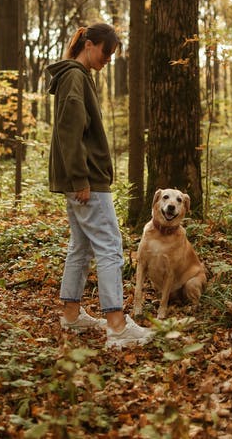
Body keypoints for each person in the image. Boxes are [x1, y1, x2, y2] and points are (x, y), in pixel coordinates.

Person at [47, 23, 154, 349]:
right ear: (89, 44)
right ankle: (117, 326)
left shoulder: (74, 77)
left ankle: (71, 314)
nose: (109, 58)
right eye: (106, 51)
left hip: (84, 179)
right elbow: (69, 131)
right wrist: (80, 178)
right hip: (88, 181)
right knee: (110, 247)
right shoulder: (75, 77)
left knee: (81, 246)